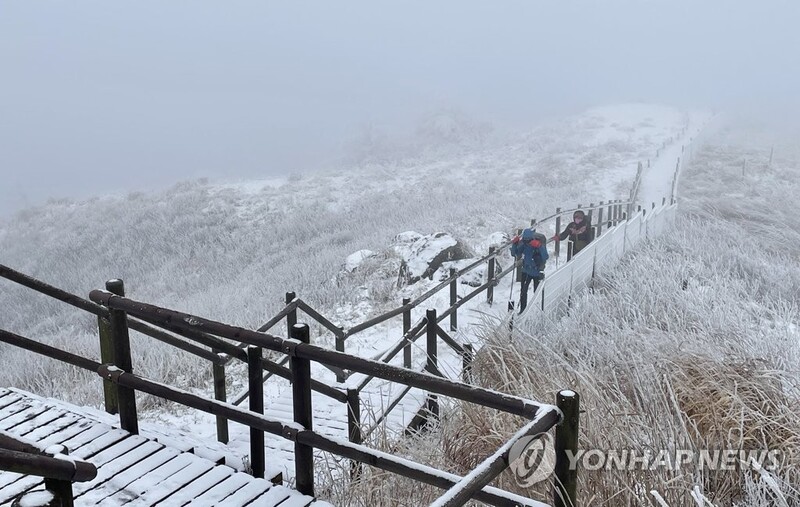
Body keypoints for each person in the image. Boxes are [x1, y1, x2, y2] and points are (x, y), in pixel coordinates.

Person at [511, 228, 549, 313]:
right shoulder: (524, 245)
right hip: (526, 271)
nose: (527, 242)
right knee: (523, 292)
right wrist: (515, 244)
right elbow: (515, 253)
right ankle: (522, 310)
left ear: (532, 238)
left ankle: (538, 310)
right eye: (525, 240)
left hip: (537, 272)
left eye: (528, 240)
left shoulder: (538, 244)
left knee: (537, 292)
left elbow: (545, 256)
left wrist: (539, 246)